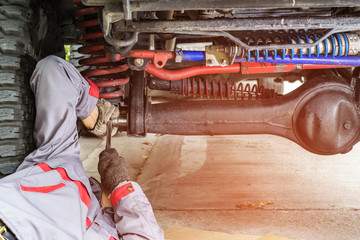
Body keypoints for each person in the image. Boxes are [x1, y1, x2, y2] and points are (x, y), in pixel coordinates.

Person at [0, 55, 165, 240]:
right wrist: (92, 113)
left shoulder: (60, 162)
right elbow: (53, 70)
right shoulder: (61, 161)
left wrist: (120, 185)